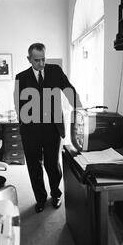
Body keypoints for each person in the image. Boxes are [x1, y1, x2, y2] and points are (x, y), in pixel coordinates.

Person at [14, 43, 82, 213]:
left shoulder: (55, 71)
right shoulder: (21, 77)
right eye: (37, 60)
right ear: (29, 59)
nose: (41, 63)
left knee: (52, 164)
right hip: (31, 129)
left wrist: (80, 109)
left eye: (43, 59)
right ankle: (40, 199)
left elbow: (68, 89)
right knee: (34, 166)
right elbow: (18, 104)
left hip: (52, 128)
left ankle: (56, 194)